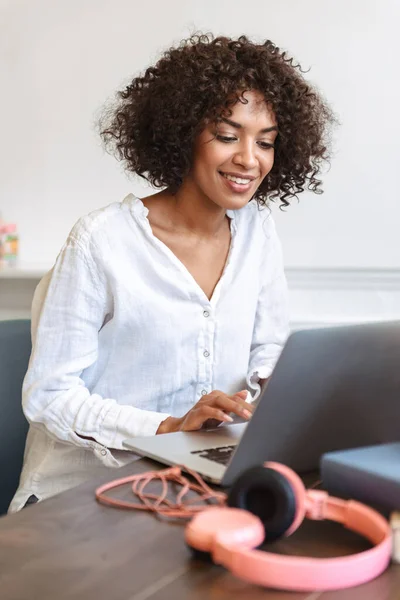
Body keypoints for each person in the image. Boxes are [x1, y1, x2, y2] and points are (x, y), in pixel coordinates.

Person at [9, 33, 336, 512]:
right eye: (227, 136)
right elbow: (49, 396)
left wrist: (270, 395)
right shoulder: (102, 241)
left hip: (193, 489)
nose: (249, 159)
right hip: (81, 501)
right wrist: (166, 428)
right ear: (183, 134)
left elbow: (267, 348)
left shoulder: (257, 231)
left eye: (265, 142)